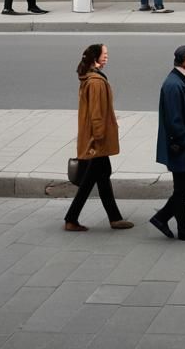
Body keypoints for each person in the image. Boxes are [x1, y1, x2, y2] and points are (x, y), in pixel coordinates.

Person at [64, 44, 133, 232]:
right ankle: (72, 218)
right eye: (104, 54)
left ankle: (114, 218)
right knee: (91, 179)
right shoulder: (95, 82)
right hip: (97, 140)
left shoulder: (92, 78)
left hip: (95, 138)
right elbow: (96, 113)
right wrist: (99, 136)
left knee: (102, 175)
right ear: (96, 57)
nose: (107, 57)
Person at [150, 45, 185, 241]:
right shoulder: (174, 85)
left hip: (181, 146)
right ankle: (163, 218)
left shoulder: (179, 81)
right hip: (180, 147)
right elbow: (175, 121)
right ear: (183, 61)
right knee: (183, 189)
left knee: (182, 189)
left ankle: (184, 227)